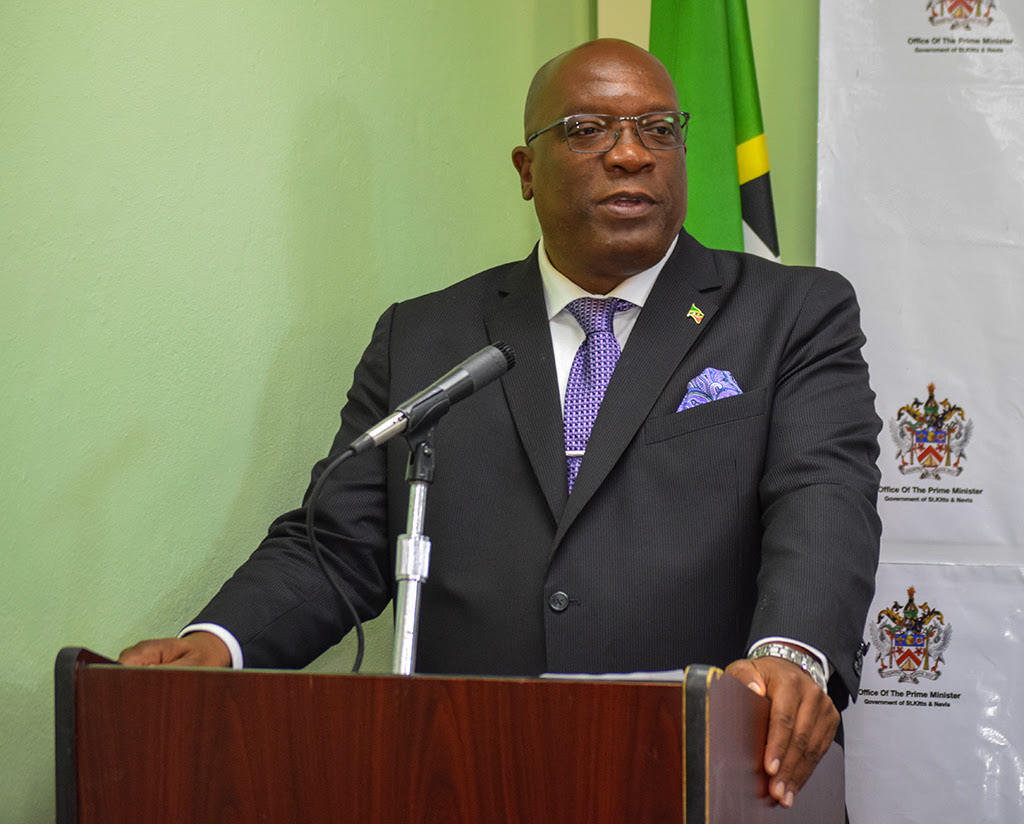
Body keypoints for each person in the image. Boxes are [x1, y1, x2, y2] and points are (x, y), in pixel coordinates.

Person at [120, 39, 881, 809]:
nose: (631, 154)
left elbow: (823, 498)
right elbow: (340, 546)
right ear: (526, 169)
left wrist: (792, 656)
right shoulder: (424, 339)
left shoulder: (791, 314)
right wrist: (218, 644)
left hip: (711, 775)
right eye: (588, 129)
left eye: (658, 129)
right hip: (473, 775)